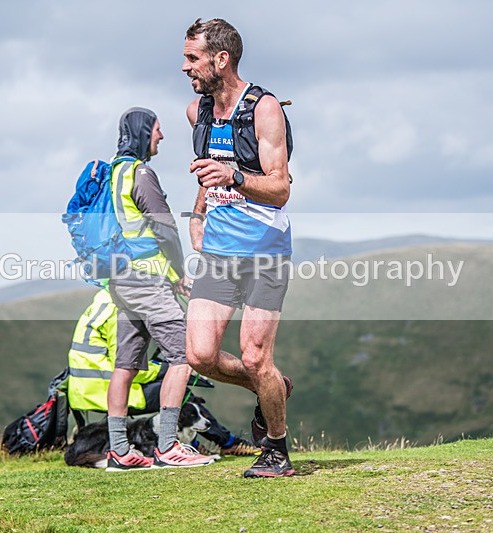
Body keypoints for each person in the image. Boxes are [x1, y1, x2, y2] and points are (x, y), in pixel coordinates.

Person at [181, 19, 296, 478]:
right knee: (201, 355)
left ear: (220, 59)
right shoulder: (197, 113)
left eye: (193, 58)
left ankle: (276, 449)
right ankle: (274, 388)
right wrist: (197, 222)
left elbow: (281, 187)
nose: (184, 66)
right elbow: (205, 176)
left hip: (265, 249)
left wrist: (235, 178)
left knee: (253, 355)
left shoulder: (264, 109)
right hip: (218, 252)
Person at [101, 107, 214, 471]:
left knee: (126, 363)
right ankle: (167, 445)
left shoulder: (112, 174)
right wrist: (179, 272)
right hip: (148, 280)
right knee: (183, 354)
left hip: (120, 281)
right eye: (157, 130)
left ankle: (119, 450)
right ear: (142, 132)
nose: (161, 136)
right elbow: (164, 228)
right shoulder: (141, 173)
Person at [65, 286, 259, 457]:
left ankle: (195, 444)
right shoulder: (117, 313)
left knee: (172, 385)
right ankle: (227, 443)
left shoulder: (102, 304)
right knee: (182, 393)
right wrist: (162, 369)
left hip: (86, 391)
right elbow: (125, 366)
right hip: (103, 392)